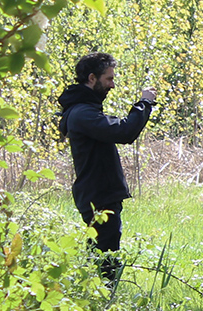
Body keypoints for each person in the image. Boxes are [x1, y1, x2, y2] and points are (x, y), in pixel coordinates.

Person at [57, 52, 156, 288]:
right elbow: (123, 132)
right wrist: (145, 103)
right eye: (109, 79)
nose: (112, 84)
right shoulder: (83, 113)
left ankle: (93, 302)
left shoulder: (83, 110)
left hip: (98, 194)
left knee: (99, 257)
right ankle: (103, 305)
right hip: (98, 197)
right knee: (107, 261)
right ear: (92, 78)